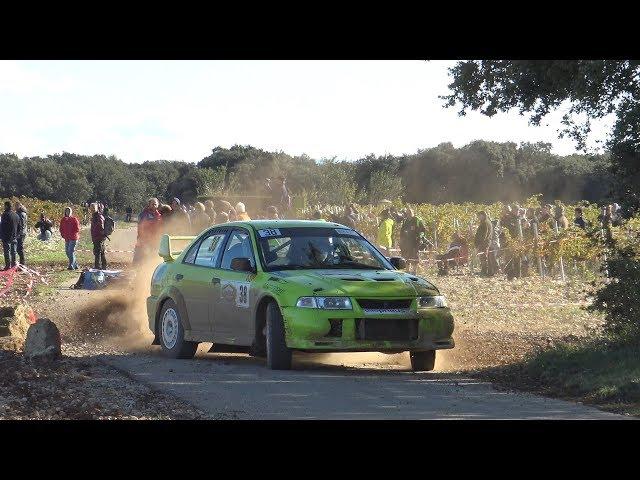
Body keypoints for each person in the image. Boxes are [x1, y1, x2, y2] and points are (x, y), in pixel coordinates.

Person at [134, 197, 163, 265]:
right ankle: (135, 269)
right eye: (152, 204)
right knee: (139, 256)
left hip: (154, 240)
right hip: (143, 239)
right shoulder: (144, 214)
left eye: (155, 204)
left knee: (151, 256)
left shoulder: (158, 215)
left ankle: (149, 268)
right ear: (149, 204)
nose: (154, 206)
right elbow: (140, 227)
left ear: (158, 205)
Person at [399, 208, 426, 274]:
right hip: (407, 241)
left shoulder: (417, 220)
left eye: (410, 213)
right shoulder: (405, 221)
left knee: (415, 255)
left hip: (416, 241)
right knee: (406, 255)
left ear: (413, 213)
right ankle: (407, 270)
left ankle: (414, 271)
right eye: (407, 213)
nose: (408, 214)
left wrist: (420, 237)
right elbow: (402, 231)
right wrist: (401, 240)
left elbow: (423, 230)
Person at [0, 201, 19, 270]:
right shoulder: (16, 215)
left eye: (4, 206)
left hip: (6, 237)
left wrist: (1, 236)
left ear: (7, 206)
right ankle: (13, 266)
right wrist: (16, 235)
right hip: (14, 236)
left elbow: (2, 226)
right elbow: (19, 227)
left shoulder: (5, 214)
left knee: (7, 251)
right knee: (13, 252)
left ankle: (8, 266)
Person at [474, 211, 493, 276]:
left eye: (479, 216)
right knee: (484, 257)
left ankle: (484, 271)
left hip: (483, 243)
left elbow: (484, 235)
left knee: (483, 257)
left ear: (483, 215)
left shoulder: (485, 223)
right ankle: (485, 271)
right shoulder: (486, 222)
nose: (478, 217)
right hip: (485, 243)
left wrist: (479, 244)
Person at [90, 203, 107, 270]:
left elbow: (100, 226)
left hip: (98, 237)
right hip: (98, 237)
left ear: (97, 208)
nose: (92, 209)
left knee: (97, 253)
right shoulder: (95, 216)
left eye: (93, 208)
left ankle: (97, 267)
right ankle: (103, 266)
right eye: (91, 208)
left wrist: (99, 233)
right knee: (101, 252)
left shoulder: (98, 216)